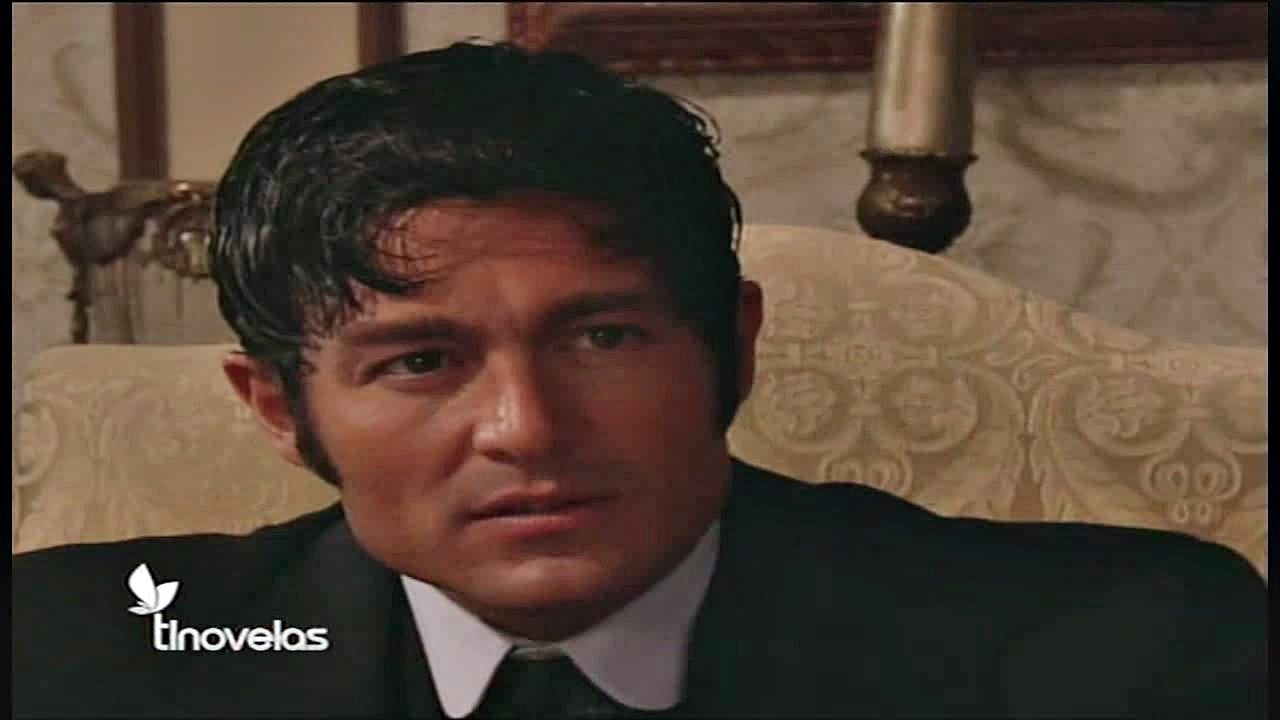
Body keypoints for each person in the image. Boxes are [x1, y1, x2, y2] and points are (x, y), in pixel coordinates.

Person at [13, 41, 1265, 719]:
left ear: (733, 346)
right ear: (281, 411)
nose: (526, 430)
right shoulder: (64, 655)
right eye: (420, 362)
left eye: (602, 339)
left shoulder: (1120, 649)